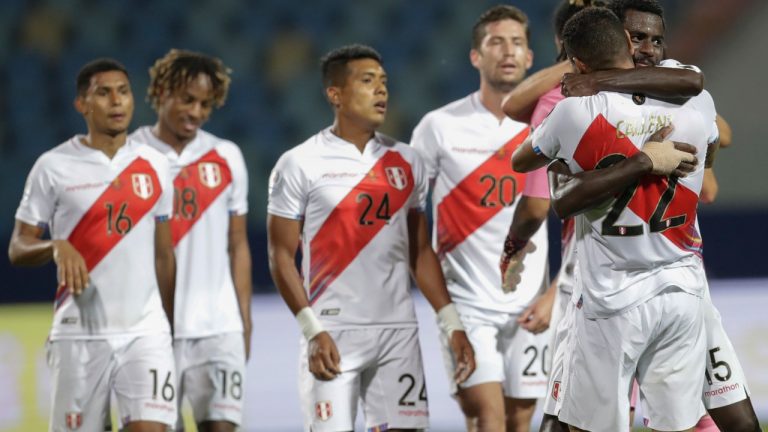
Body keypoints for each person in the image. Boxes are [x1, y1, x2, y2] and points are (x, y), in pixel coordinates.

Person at [555, 2, 760, 430]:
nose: (648, 48)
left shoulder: (667, 82)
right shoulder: (584, 111)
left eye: (657, 38)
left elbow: (698, 88)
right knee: (580, 420)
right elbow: (555, 189)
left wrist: (706, 168)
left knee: (736, 418)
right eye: (636, 38)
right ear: (613, 40)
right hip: (609, 293)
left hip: (681, 285)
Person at [512, 8, 718, 431]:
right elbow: (709, 144)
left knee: (586, 424)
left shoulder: (575, 113)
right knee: (677, 426)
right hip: (681, 290)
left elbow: (529, 166)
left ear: (577, 63)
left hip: (611, 298)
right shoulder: (692, 102)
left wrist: (627, 160)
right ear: (628, 43)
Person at [266, 44, 475, 432]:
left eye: (384, 82)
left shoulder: (409, 162)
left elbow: (420, 252)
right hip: (332, 330)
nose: (381, 91)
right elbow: (281, 255)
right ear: (335, 94)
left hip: (397, 330)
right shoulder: (299, 163)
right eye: (367, 82)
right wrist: (312, 331)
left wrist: (452, 324)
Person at [8, 58, 177, 432]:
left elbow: (164, 255)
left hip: (145, 332)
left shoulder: (156, 163)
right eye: (103, 93)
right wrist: (55, 246)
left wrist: (168, 325)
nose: (116, 101)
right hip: (79, 333)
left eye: (123, 91)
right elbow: (18, 247)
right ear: (82, 105)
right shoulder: (53, 166)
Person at [411, 6, 551, 432]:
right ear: (476, 56)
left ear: (530, 58)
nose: (507, 51)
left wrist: (557, 293)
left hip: (532, 304)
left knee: (520, 420)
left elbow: (586, 220)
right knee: (486, 417)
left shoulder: (545, 126)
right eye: (495, 42)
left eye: (517, 43)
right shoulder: (438, 128)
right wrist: (446, 314)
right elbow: (412, 228)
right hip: (468, 304)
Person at [131, 49, 252, 432]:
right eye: (188, 100)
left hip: (219, 327)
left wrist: (244, 319)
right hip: (153, 328)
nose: (196, 112)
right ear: (162, 92)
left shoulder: (226, 156)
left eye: (205, 104)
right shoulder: (132, 156)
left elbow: (238, 246)